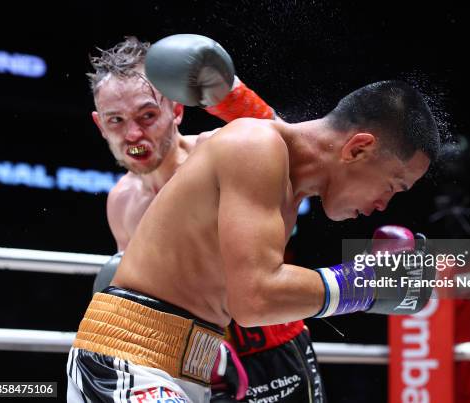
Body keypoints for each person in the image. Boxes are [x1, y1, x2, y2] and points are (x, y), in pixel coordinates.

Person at [67, 35, 439, 403]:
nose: (383, 204)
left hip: (196, 362)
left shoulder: (281, 172)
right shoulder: (254, 146)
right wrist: (368, 283)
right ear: (359, 148)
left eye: (147, 115)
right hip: (131, 360)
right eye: (393, 185)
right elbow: (256, 298)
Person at [83, 35, 325, 402]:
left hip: (272, 351)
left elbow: (302, 154)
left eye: (147, 115)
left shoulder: (222, 152)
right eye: (116, 120)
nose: (133, 134)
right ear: (100, 125)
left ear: (176, 110)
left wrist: (233, 96)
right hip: (193, 366)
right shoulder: (122, 202)